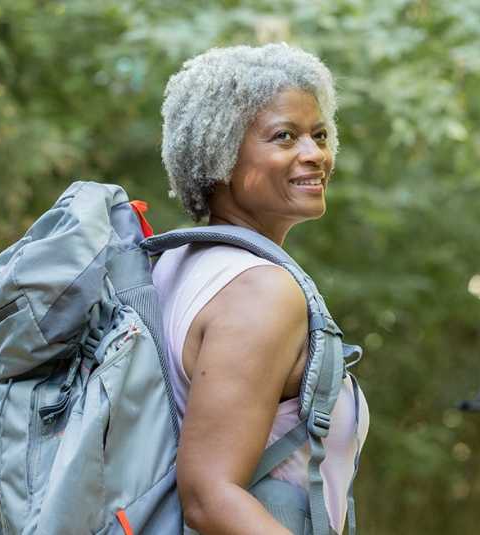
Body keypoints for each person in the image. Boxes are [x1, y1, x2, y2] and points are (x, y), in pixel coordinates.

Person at [152, 44, 369, 534]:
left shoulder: (173, 264)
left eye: (319, 134)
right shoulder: (261, 291)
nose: (315, 154)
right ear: (220, 153)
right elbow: (209, 496)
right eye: (284, 136)